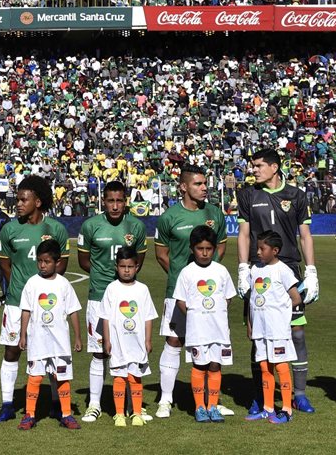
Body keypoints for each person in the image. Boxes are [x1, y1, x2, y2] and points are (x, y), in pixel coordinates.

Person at [236, 149, 318, 415]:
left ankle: (299, 395)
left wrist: (311, 271)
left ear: (274, 167)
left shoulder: (296, 195)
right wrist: (242, 268)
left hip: (289, 269)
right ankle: (261, 396)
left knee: (297, 333)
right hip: (258, 270)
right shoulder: (247, 195)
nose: (254, 170)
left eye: (258, 165)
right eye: (253, 166)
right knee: (257, 336)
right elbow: (244, 234)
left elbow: (305, 235)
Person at [0, 175, 70, 423]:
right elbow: (5, 265)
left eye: (23, 200)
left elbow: (62, 265)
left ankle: (57, 404)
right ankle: (7, 404)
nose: (18, 204)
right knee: (12, 350)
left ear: (37, 202)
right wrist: (25, 289)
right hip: (16, 302)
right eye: (17, 199)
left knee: (52, 352)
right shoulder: (10, 230)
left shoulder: (56, 229)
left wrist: (42, 290)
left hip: (48, 305)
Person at [154, 166, 228, 418]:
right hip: (178, 292)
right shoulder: (169, 217)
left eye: (205, 183)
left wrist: (205, 275)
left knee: (212, 343)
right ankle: (165, 399)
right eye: (198, 183)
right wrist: (185, 281)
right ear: (183, 187)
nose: (204, 187)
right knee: (174, 340)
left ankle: (212, 401)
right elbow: (161, 254)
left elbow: (221, 246)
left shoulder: (214, 213)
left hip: (209, 295)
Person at [76, 179, 147, 423]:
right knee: (99, 353)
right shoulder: (90, 226)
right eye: (110, 201)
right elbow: (84, 261)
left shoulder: (136, 226)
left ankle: (132, 406)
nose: (115, 206)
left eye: (119, 201)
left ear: (125, 202)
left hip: (128, 299)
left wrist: (122, 284)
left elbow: (139, 261)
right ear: (103, 202)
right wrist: (104, 279)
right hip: (98, 297)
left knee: (130, 351)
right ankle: (94, 404)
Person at [16, 238, 82, 430]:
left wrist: (78, 337)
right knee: (35, 377)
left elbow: (73, 311)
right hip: (38, 340)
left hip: (60, 342)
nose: (42, 265)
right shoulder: (32, 283)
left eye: (47, 262)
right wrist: (22, 334)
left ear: (57, 262)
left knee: (62, 377)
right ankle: (29, 415)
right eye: (40, 261)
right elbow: (26, 310)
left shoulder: (64, 284)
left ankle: (66, 414)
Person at [174, 225, 235, 423]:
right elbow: (181, 301)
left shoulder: (221, 271)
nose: (205, 253)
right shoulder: (187, 273)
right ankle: (200, 407)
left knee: (216, 365)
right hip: (198, 330)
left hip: (218, 329)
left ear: (214, 249)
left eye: (209, 248)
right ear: (192, 249)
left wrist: (216, 313)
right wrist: (195, 315)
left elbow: (228, 297)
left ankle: (213, 406)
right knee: (200, 365)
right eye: (200, 249)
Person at [244, 231, 302, 424]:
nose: (258, 252)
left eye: (262, 248)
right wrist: (250, 323)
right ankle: (267, 408)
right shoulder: (255, 269)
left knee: (281, 365)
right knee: (264, 366)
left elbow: (296, 298)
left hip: (277, 330)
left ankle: (286, 410)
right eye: (257, 248)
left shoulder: (283, 270)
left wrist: (280, 313)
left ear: (275, 250)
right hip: (260, 329)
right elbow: (252, 299)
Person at [100, 246, 156, 427]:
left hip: (137, 342)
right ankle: (119, 414)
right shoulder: (111, 288)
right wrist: (107, 340)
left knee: (135, 377)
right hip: (117, 342)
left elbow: (148, 317)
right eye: (123, 266)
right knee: (119, 377)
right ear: (116, 267)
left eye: (130, 267)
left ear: (136, 267)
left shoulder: (143, 289)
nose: (126, 270)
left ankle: (137, 412)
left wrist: (148, 340)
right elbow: (106, 317)